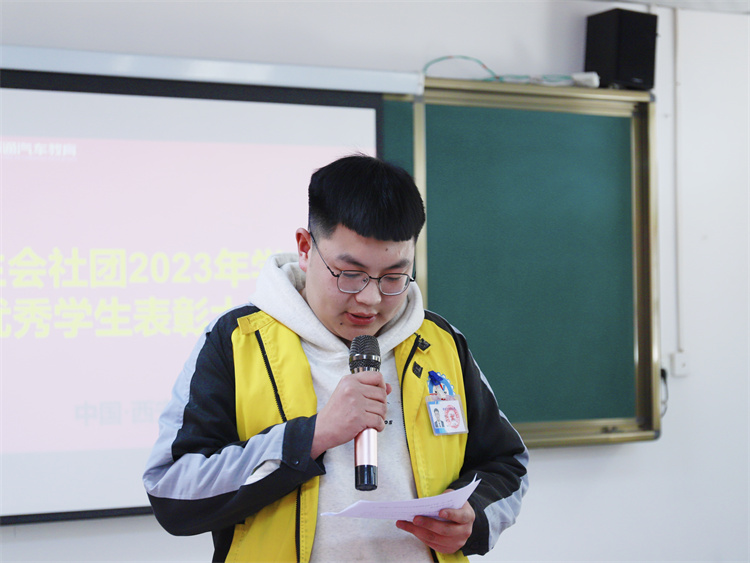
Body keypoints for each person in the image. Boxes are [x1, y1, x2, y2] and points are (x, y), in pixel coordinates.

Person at [143, 155, 529, 563]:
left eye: (394, 277)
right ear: (305, 248)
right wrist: (312, 437)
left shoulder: (439, 342)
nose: (370, 298)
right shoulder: (238, 340)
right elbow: (171, 492)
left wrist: (473, 516)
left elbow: (508, 463)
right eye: (350, 274)